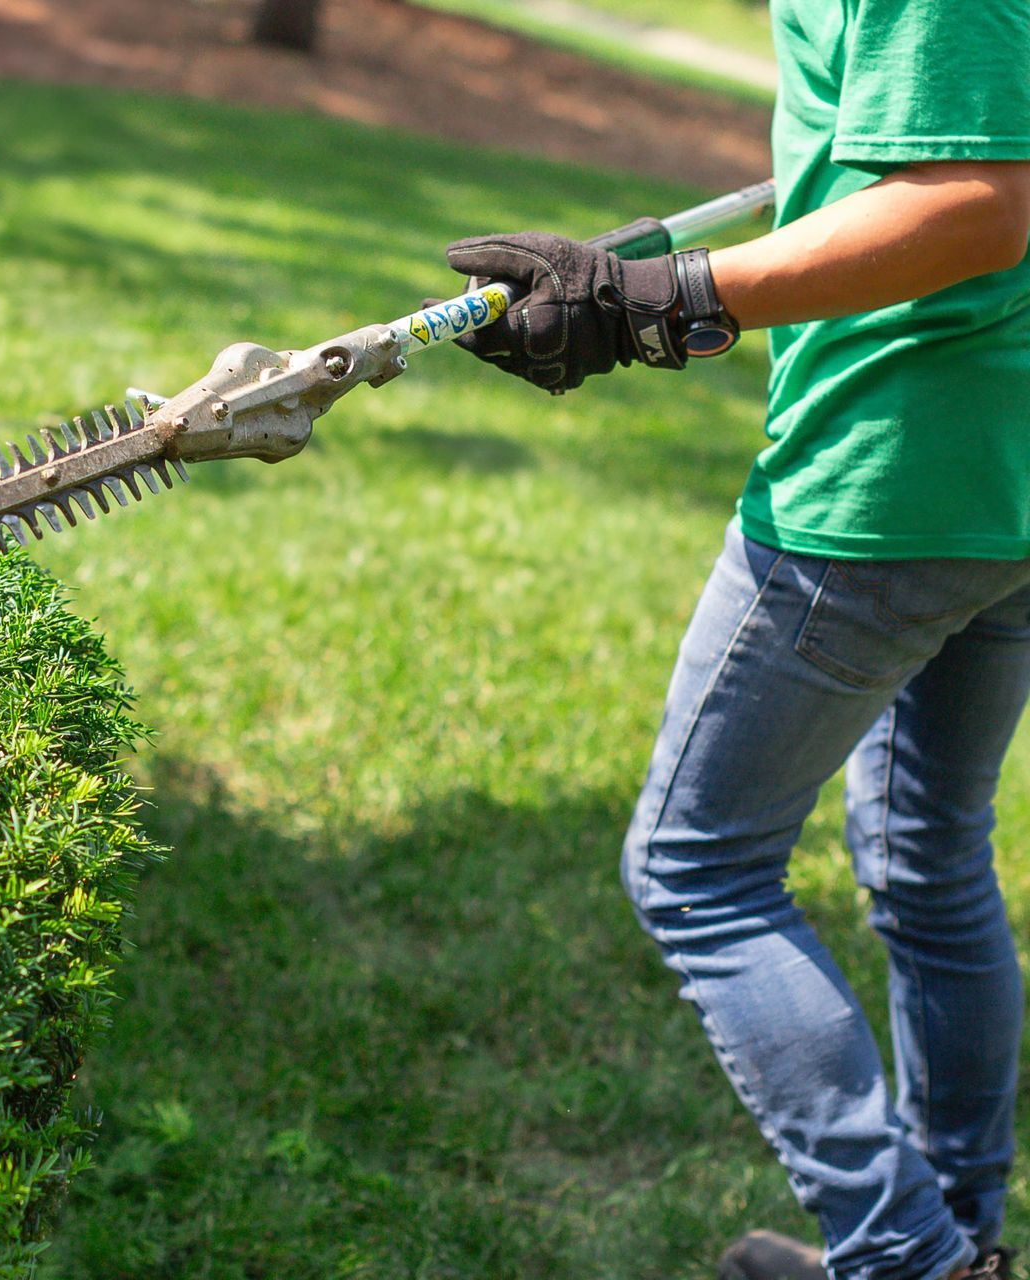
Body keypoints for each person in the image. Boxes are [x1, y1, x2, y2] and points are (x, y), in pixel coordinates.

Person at [438, 2, 1030, 1277]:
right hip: (1004, 471)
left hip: (894, 477)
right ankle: (957, 1239)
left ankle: (910, 1257)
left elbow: (976, 204)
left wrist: (663, 300)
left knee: (696, 868)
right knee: (926, 857)